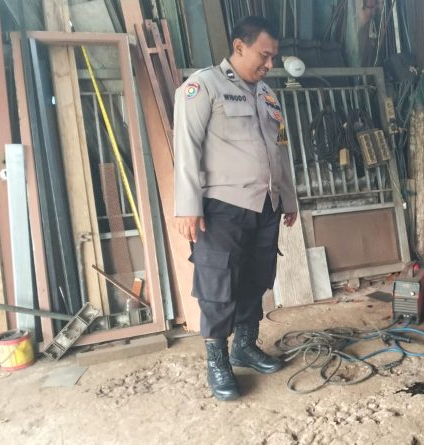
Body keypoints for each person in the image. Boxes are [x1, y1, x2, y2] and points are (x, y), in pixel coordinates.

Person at [173, 16, 298, 401]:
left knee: (256, 278)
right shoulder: (203, 86)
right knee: (218, 286)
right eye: (264, 55)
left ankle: (244, 346)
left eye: (274, 57)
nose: (270, 64)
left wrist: (288, 198)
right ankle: (218, 361)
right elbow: (186, 148)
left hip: (266, 205)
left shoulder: (268, 95)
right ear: (239, 47)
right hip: (222, 208)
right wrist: (187, 206)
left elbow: (280, 149)